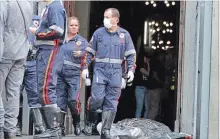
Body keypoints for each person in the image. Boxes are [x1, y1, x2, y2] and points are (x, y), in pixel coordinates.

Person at [81, 8, 136, 139]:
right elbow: (89, 52)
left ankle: (106, 130)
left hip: (116, 72)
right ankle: (90, 114)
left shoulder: (124, 35)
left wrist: (131, 71)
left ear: (116, 19)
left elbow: (131, 55)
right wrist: (84, 68)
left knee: (112, 102)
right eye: (104, 16)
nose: (105, 19)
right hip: (100, 70)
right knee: (97, 99)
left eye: (107, 17)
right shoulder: (99, 33)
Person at [29, 0, 67, 138]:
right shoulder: (49, 7)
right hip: (45, 51)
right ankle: (51, 128)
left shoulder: (55, 7)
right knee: (43, 88)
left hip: (51, 50)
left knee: (46, 87)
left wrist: (37, 32)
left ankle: (54, 129)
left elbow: (57, 31)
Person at [0, 1, 32, 138]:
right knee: (13, 93)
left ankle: (1, 125)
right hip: (21, 51)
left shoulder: (4, 2)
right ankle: (10, 130)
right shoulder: (27, 3)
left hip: (5, 52)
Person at [56, 16, 88, 136]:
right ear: (67, 26)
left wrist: (82, 53)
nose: (74, 27)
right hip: (60, 74)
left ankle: (77, 123)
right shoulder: (61, 39)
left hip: (74, 75)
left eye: (76, 25)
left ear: (78, 27)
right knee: (60, 101)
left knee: (73, 100)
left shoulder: (82, 41)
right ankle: (61, 127)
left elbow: (91, 55)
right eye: (71, 25)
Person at [23, 15, 45, 135]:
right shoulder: (20, 23)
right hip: (18, 61)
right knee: (14, 94)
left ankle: (39, 126)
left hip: (32, 62)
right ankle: (12, 124)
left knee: (34, 94)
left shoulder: (40, 24)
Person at [134, 51, 150, 118]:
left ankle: (144, 122)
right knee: (139, 108)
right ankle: (137, 123)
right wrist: (148, 64)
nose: (147, 59)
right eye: (146, 58)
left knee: (147, 107)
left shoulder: (143, 66)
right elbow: (148, 74)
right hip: (140, 88)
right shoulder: (140, 67)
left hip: (144, 88)